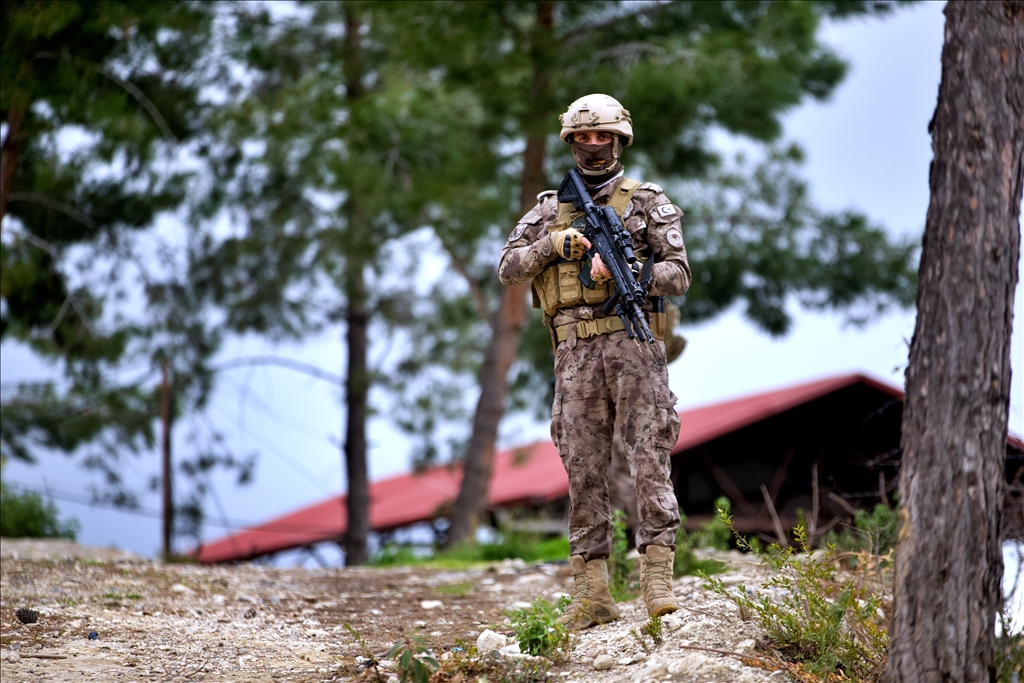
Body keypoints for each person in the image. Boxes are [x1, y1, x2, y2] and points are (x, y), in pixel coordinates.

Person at [498, 93, 691, 630]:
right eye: (582, 137)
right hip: (575, 352)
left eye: (602, 136)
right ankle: (592, 594)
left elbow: (679, 273)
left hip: (634, 345)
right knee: (582, 467)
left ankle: (657, 580)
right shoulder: (548, 209)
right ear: (571, 143)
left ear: (619, 139)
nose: (592, 145)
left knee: (649, 457)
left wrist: (636, 272)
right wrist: (554, 246)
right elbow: (508, 268)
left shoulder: (647, 202)